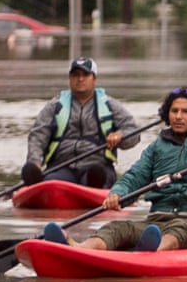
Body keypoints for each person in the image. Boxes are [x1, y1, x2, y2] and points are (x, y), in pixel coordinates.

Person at [43, 86, 187, 251]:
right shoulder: (158, 146)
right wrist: (117, 193)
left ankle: (151, 252)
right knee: (118, 228)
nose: (178, 116)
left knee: (180, 230)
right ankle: (79, 248)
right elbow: (135, 176)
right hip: (157, 220)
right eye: (174, 111)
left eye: (186, 111)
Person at [26, 57, 140, 188]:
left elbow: (133, 132)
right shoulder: (55, 106)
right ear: (70, 79)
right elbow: (38, 136)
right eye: (76, 75)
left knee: (96, 174)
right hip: (61, 167)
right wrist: (35, 162)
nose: (80, 79)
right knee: (51, 182)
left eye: (85, 75)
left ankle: (94, 189)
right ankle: (41, 186)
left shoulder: (110, 105)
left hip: (98, 167)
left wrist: (120, 135)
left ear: (94, 79)